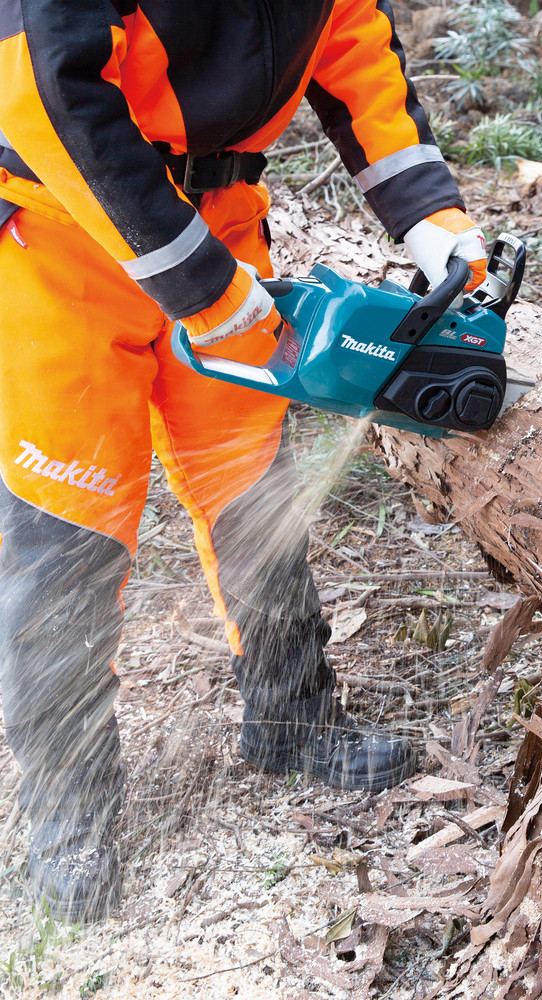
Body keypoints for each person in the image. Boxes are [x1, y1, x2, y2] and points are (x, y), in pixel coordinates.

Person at [0, 0, 488, 923]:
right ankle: (69, 805)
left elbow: (352, 39)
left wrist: (429, 214)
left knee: (250, 480)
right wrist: (192, 281)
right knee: (69, 524)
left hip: (222, 215)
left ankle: (293, 717)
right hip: (63, 228)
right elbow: (43, 94)